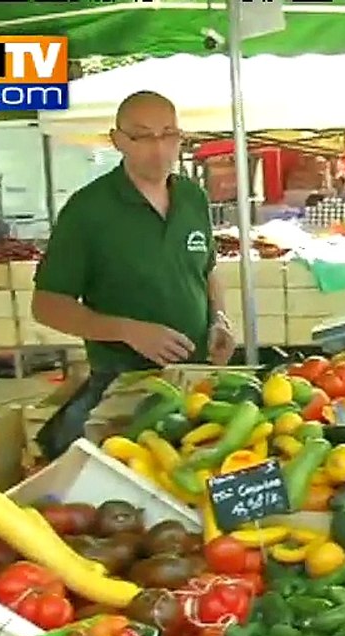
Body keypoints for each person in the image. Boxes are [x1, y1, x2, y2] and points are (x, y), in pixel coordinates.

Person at [32, 90, 234, 459]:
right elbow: (46, 305)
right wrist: (127, 330)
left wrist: (218, 318)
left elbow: (206, 270)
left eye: (169, 134)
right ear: (118, 140)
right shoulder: (87, 209)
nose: (159, 149)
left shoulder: (193, 198)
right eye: (143, 136)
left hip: (197, 380)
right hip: (123, 388)